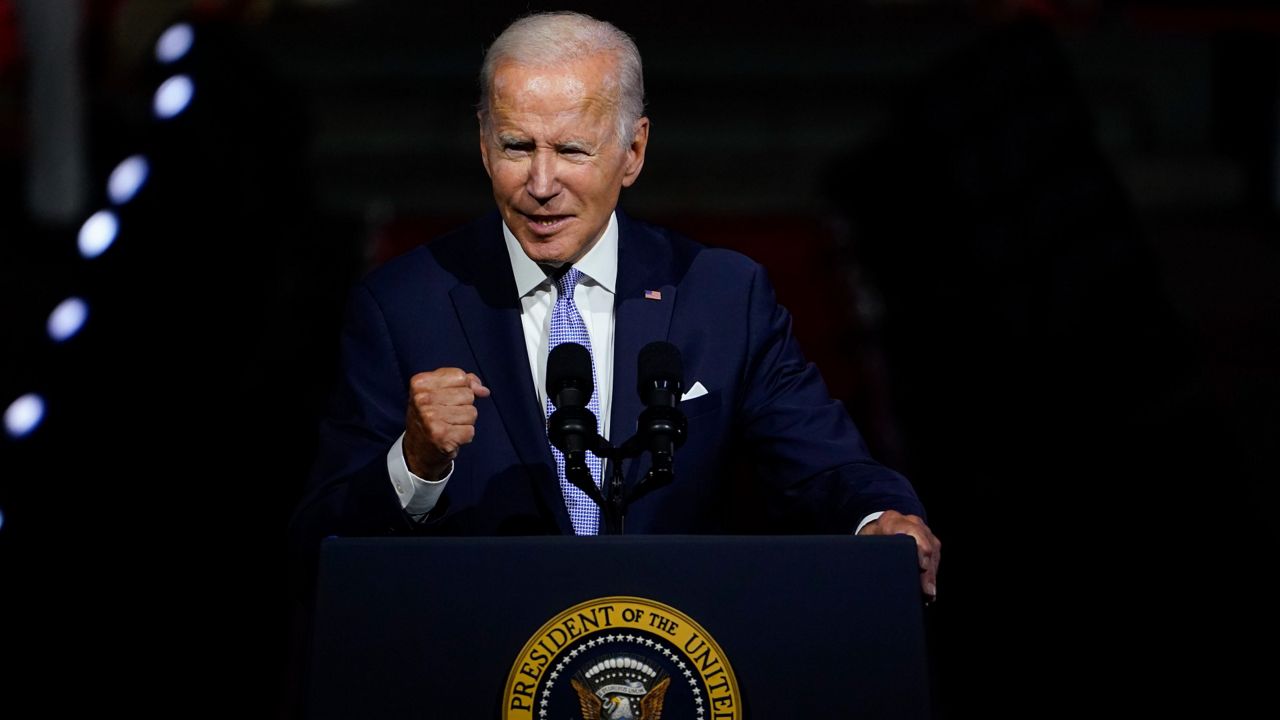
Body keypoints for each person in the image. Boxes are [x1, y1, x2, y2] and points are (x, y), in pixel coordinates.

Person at [292, 11, 940, 598]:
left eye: (572, 149)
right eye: (518, 147)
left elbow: (825, 465)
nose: (542, 185)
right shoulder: (402, 305)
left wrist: (879, 517)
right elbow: (319, 538)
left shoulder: (721, 296)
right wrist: (414, 464)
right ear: (484, 143)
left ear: (633, 151)